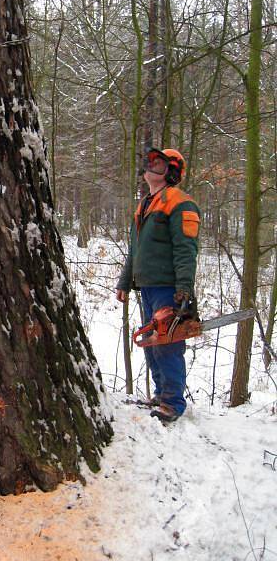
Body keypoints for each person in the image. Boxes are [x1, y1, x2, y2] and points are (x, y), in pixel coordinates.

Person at [116, 148, 200, 422]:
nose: (152, 166)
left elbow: (186, 249)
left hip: (168, 287)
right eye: (150, 162)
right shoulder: (145, 205)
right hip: (147, 286)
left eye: (160, 164)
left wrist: (184, 289)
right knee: (152, 344)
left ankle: (173, 402)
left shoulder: (180, 203)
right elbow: (135, 249)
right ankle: (160, 394)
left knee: (167, 344)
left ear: (172, 172)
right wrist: (125, 283)